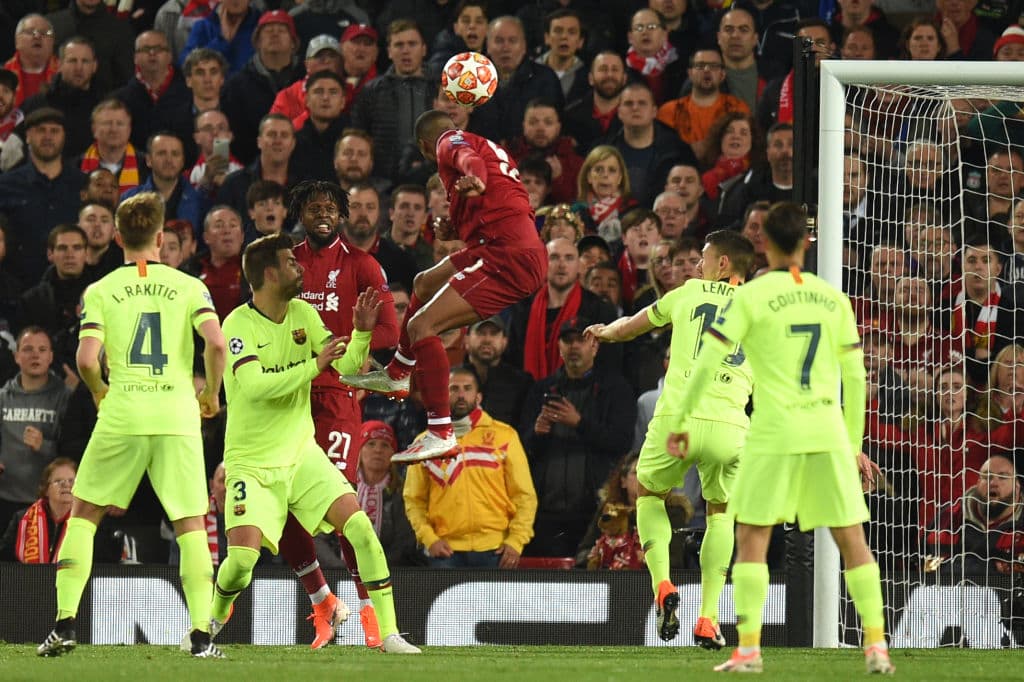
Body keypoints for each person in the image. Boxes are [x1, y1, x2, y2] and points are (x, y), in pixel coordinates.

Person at [665, 202, 892, 674]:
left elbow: (708, 361)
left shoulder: (751, 298)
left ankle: (749, 650)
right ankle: (876, 644)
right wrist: (852, 444)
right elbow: (855, 378)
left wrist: (682, 418)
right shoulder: (833, 300)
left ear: (764, 243)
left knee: (751, 538)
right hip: (825, 429)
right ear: (806, 243)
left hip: (773, 432)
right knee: (852, 540)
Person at [36, 191, 228, 658]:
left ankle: (64, 624)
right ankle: (200, 635)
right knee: (190, 524)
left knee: (83, 516)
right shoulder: (190, 286)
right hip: (176, 415)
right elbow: (217, 345)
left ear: (118, 237)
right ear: (160, 237)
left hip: (122, 412)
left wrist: (99, 390)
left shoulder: (100, 290)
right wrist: (210, 393)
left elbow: (86, 358)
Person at [210, 233, 419, 655]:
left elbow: (344, 367)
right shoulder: (237, 324)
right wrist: (312, 366)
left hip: (301, 453)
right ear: (270, 274)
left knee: (359, 528)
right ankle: (211, 619)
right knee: (241, 564)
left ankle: (389, 633)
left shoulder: (303, 313)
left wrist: (360, 334)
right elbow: (255, 387)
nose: (300, 267)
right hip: (252, 462)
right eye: (291, 262)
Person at [340, 110, 547, 463]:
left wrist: (475, 179)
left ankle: (440, 432)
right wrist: (456, 224)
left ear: (425, 146)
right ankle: (398, 373)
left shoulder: (448, 142)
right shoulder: (491, 148)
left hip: (506, 257)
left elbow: (467, 161)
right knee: (423, 282)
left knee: (423, 325)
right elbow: (506, 201)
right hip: (501, 247)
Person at [586, 229, 755, 646]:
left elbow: (629, 328)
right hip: (730, 425)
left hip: (679, 421)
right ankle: (709, 618)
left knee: (647, 495)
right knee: (721, 514)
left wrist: (605, 331)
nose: (696, 265)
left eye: (703, 258)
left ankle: (662, 584)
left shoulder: (687, 293)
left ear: (722, 264)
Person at [289, 180, 398, 649]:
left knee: (341, 508)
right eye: (314, 208)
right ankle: (323, 603)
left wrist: (355, 340)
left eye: (331, 208)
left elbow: (390, 331)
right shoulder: (285, 262)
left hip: (337, 399)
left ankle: (370, 609)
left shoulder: (362, 264)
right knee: (285, 508)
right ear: (300, 214)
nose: (323, 215)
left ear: (342, 215)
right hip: (287, 398)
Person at [519, 316, 636, 557]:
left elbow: (621, 441)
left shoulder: (616, 388)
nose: (573, 346)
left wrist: (579, 423)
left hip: (593, 511)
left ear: (595, 346)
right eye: (567, 340)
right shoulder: (541, 389)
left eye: (581, 340)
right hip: (546, 512)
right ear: (559, 347)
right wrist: (537, 433)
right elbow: (522, 448)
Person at [403, 366, 537, 568]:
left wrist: (516, 541)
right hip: (444, 551)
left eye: (467, 388)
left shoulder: (505, 436)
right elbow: (413, 500)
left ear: (478, 397)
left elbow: (524, 496)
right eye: (454, 388)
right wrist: (429, 539)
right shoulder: (424, 443)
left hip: (495, 550)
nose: (461, 395)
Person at [0, 327, 74, 532]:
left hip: (50, 502)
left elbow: (75, 450)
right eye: (28, 349)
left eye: (42, 350)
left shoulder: (66, 397)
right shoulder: (3, 397)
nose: (35, 355)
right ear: (16, 356)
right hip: (6, 498)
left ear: (50, 357)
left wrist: (45, 446)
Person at [0, 457, 75, 563]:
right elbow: (4, 558)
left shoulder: (87, 519)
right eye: (58, 481)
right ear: (46, 490)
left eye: (72, 481)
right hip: (27, 574)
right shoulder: (21, 518)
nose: (67, 485)